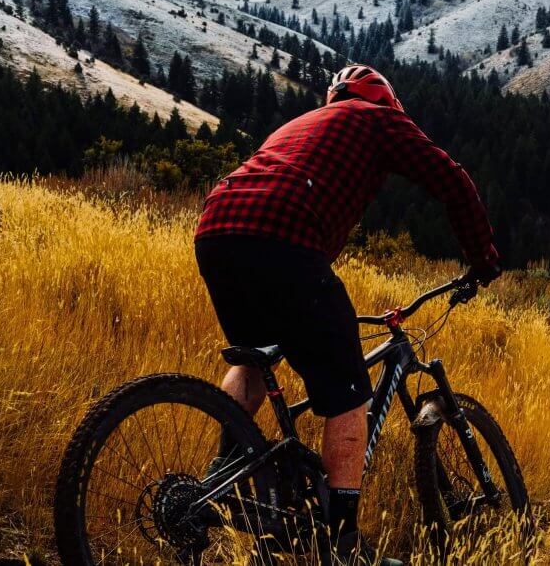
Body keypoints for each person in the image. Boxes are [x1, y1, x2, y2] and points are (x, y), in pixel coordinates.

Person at [193, 64, 500, 565]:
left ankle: (216, 481)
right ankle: (342, 545)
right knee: (348, 390)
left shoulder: (302, 124)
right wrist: (482, 258)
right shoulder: (375, 118)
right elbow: (451, 179)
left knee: (253, 360)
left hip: (217, 228)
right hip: (281, 237)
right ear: (385, 102)